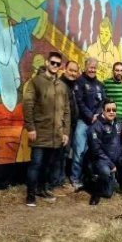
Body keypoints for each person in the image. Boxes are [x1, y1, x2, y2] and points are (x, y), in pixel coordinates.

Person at [22, 51, 70, 207]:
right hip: (40, 131)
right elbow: (28, 105)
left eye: (58, 64)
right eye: (53, 63)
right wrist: (30, 127)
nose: (55, 66)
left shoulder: (62, 85)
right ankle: (30, 195)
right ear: (47, 62)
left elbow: (67, 110)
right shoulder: (35, 82)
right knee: (36, 164)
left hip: (56, 134)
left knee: (48, 165)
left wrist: (66, 132)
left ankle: (42, 189)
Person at [70, 57, 105, 190]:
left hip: (95, 123)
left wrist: (97, 114)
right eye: (90, 67)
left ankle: (87, 177)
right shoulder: (79, 82)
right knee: (79, 151)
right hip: (83, 122)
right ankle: (75, 178)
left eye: (95, 68)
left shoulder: (99, 85)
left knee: (91, 151)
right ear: (85, 67)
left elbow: (102, 102)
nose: (92, 70)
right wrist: (91, 116)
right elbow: (79, 102)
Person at [87, 100, 122, 205]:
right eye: (108, 110)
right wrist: (111, 165)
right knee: (105, 175)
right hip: (101, 161)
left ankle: (114, 181)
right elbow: (96, 150)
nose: (112, 112)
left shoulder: (118, 123)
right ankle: (94, 189)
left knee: (109, 192)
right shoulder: (96, 126)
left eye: (114, 110)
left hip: (115, 159)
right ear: (103, 111)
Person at [50, 59, 80, 188]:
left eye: (75, 71)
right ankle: (55, 182)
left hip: (72, 125)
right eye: (70, 70)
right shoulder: (60, 84)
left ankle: (60, 180)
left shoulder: (74, 85)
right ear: (64, 69)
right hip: (61, 126)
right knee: (59, 154)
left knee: (65, 153)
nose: (73, 73)